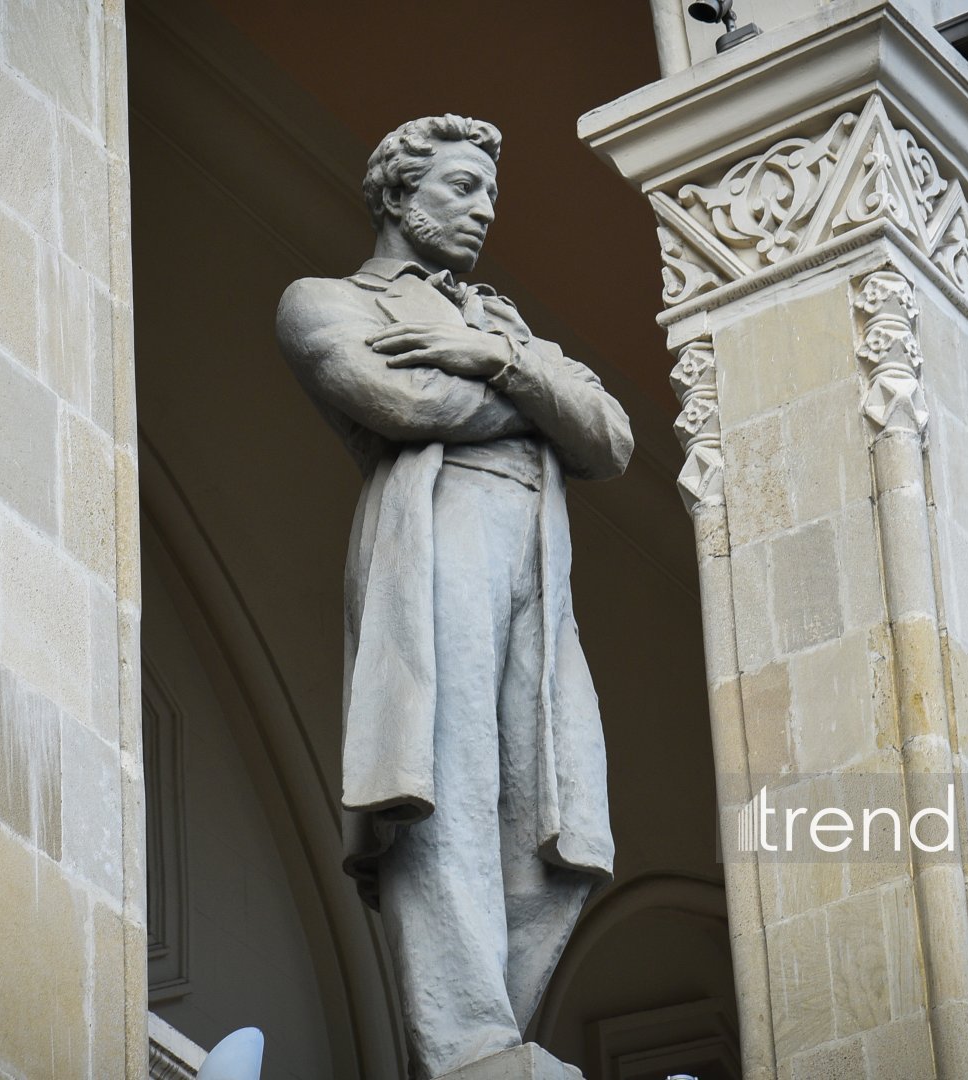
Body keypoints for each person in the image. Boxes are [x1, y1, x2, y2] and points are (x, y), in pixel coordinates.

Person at [276, 114, 633, 1079]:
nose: (483, 211)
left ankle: (498, 1026)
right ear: (399, 195)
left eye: (490, 194)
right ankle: (466, 1040)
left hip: (536, 560)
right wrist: (538, 400)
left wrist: (500, 360)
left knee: (549, 795)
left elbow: (608, 437)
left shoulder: (500, 325)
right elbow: (404, 404)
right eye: (461, 188)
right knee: (447, 773)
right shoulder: (326, 300)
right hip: (438, 534)